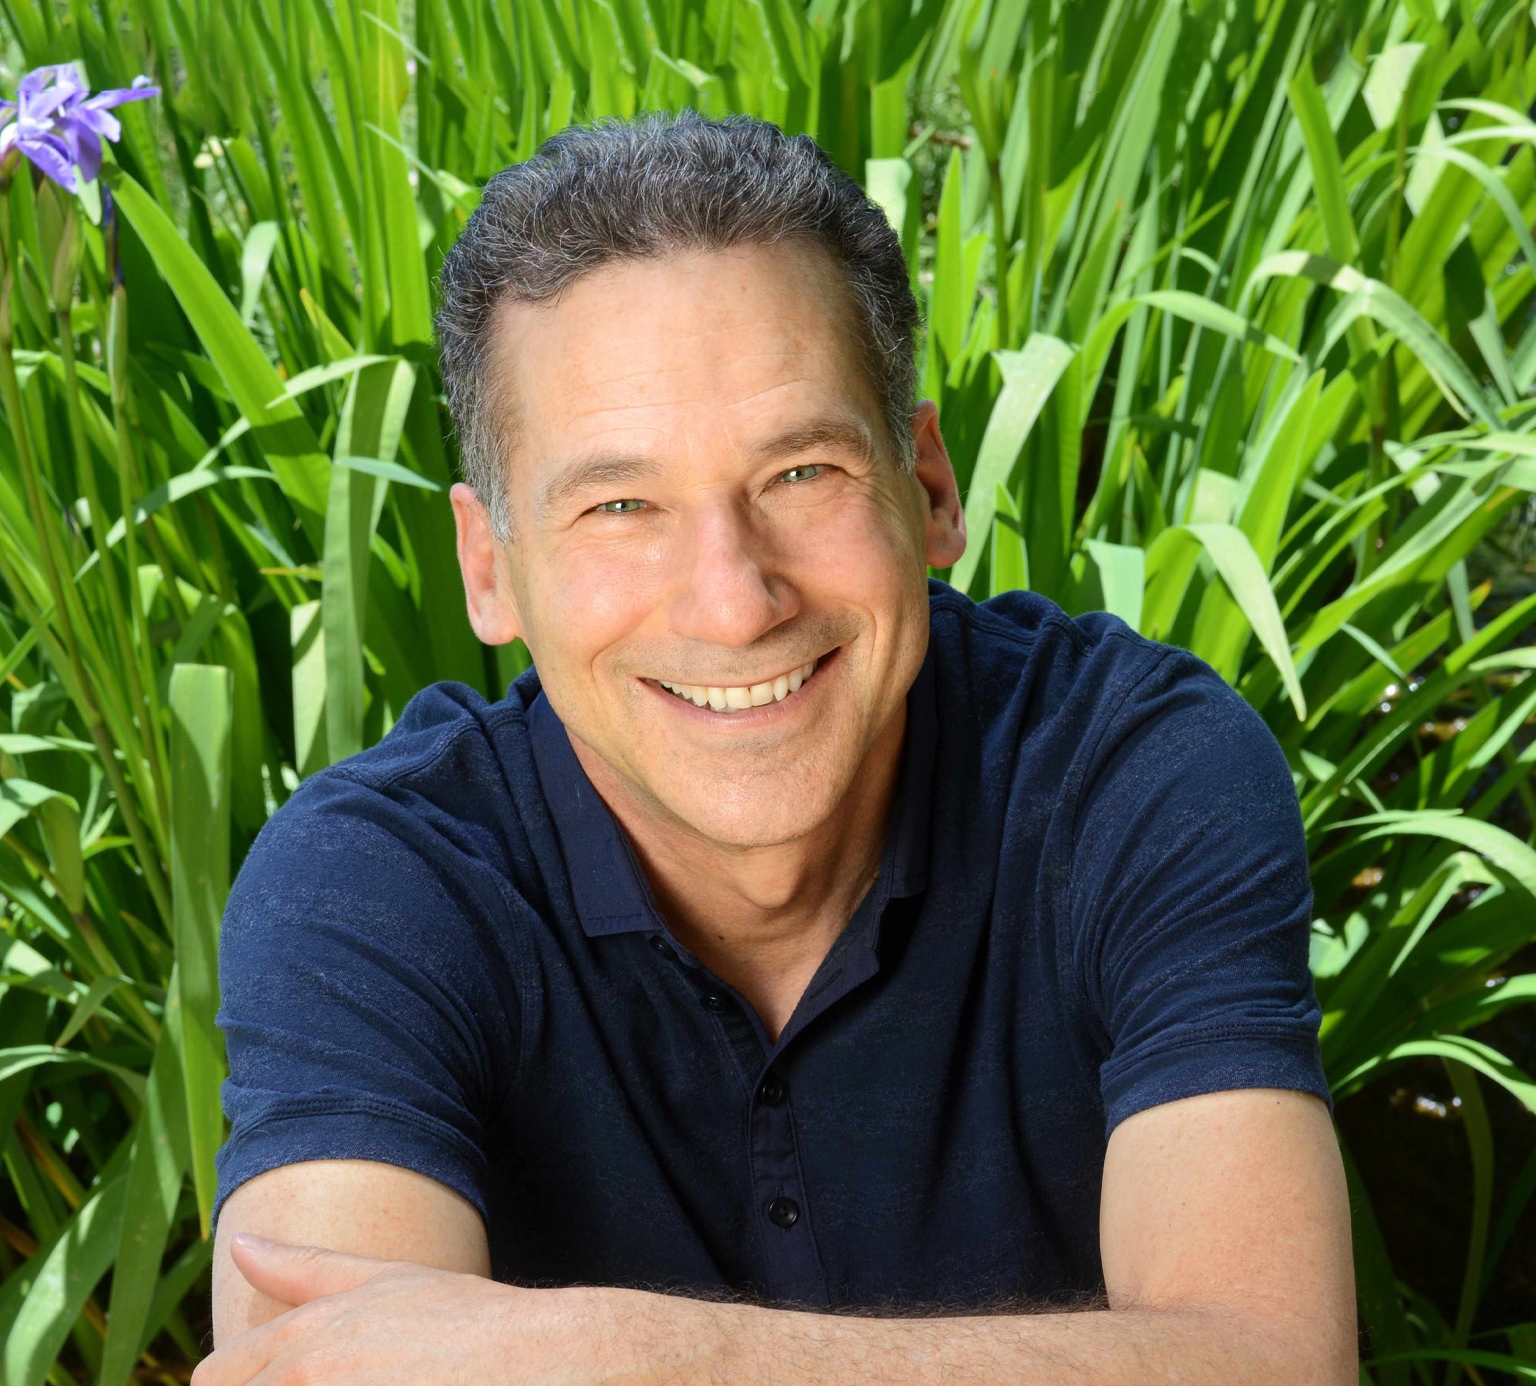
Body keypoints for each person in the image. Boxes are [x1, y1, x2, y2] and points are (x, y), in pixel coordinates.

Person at [193, 113, 1355, 1386]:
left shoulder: (1133, 776)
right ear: (490, 568)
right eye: (619, 506)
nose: (735, 601)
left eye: (801, 472)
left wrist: (621, 1355)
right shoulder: (369, 893)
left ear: (928, 487)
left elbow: (1273, 1366)